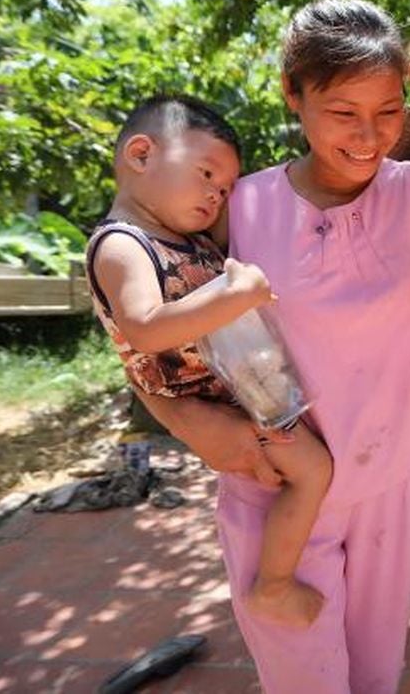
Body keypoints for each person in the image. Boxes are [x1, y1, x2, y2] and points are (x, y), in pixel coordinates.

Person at [148, 0, 410, 693]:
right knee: (304, 677)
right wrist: (182, 420)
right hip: (276, 487)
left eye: (388, 110)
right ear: (293, 94)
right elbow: (145, 320)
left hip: (389, 483)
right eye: (343, 112)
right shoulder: (239, 207)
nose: (369, 136)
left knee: (374, 674)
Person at [86, 96, 334, 629]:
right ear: (141, 155)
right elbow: (146, 328)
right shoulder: (122, 244)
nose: (215, 196)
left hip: (237, 388)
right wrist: (235, 295)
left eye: (223, 189)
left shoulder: (186, 238)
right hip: (198, 398)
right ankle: (274, 586)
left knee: (312, 464)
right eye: (205, 175)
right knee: (314, 471)